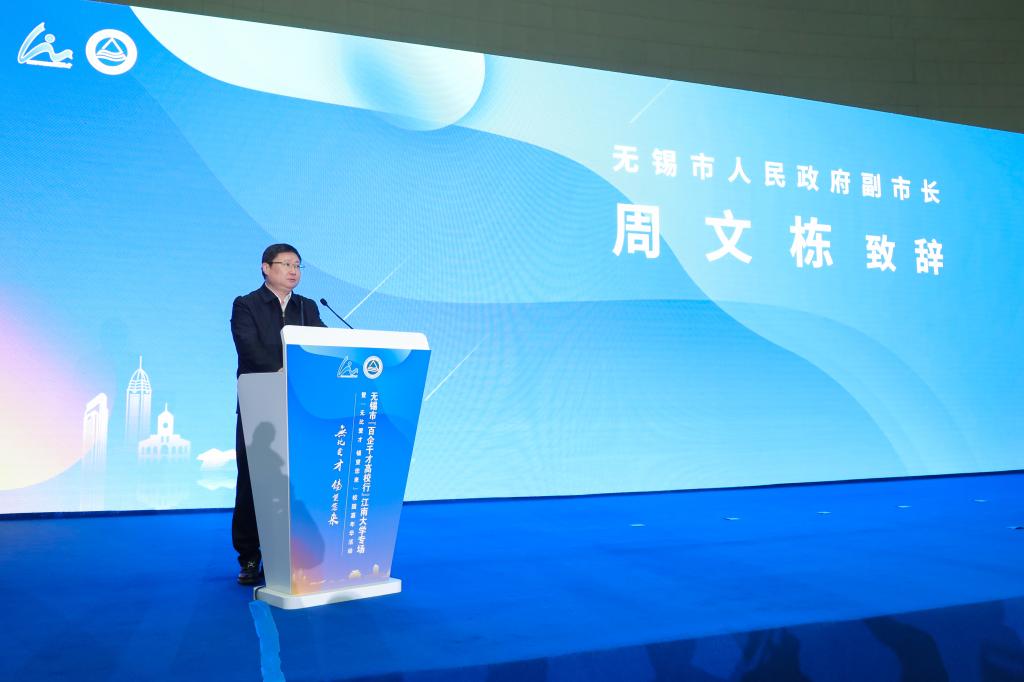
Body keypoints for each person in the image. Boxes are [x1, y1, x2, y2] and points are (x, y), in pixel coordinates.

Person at [230, 243, 326, 585]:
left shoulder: (307, 308)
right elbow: (250, 350)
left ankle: (294, 552)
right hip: (259, 406)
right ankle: (250, 555)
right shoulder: (247, 305)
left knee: (298, 481)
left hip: (300, 407)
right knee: (254, 481)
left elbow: (321, 347)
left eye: (297, 265)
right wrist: (287, 368)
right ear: (265, 267)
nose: (293, 271)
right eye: (286, 264)